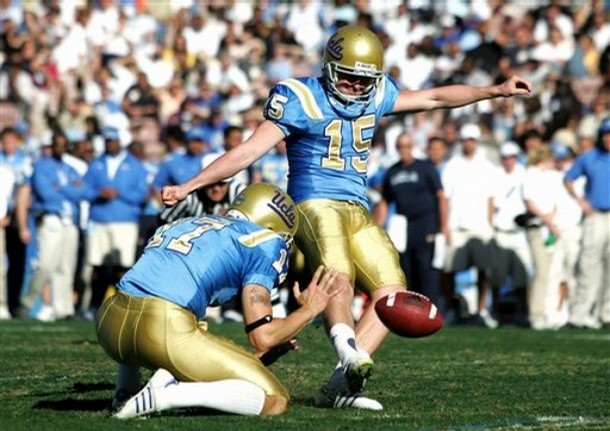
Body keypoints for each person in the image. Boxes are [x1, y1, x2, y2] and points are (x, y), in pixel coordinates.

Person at [161, 25, 532, 409]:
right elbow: (249, 151)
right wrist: (192, 184)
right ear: (330, 67)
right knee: (339, 273)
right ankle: (348, 349)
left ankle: (340, 385)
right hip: (313, 202)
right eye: (349, 76)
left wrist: (495, 90)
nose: (356, 86)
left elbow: (436, 97)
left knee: (392, 291)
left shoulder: (379, 93)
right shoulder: (301, 97)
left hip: (357, 206)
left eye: (364, 79)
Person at [97, 183, 340, 418]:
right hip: (163, 329)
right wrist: (309, 309)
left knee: (189, 328)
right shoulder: (265, 241)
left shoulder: (186, 222)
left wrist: (262, 357)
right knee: (275, 398)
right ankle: (167, 394)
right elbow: (262, 336)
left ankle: (125, 393)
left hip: (109, 322)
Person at [373, 133, 447, 311]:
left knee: (426, 268)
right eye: (400, 146)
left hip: (426, 223)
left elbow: (441, 197)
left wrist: (443, 227)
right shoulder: (393, 171)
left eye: (407, 146)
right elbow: (384, 201)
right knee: (406, 267)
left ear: (412, 146)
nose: (404, 150)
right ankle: (411, 310)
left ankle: (432, 310)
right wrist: (376, 228)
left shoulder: (425, 168)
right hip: (404, 226)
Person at [564, 118, 610, 329]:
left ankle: (606, 314)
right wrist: (581, 202)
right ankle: (579, 315)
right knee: (588, 265)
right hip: (596, 216)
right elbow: (568, 178)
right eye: (606, 134)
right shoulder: (589, 157)